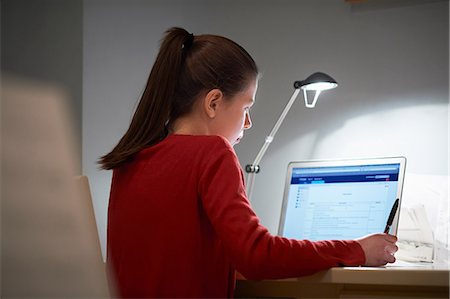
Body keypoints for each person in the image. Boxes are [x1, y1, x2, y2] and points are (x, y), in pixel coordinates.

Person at [99, 27, 398, 298]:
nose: (249, 122)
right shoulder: (212, 152)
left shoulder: (131, 157)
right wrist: (357, 249)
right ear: (213, 103)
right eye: (246, 107)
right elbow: (257, 255)